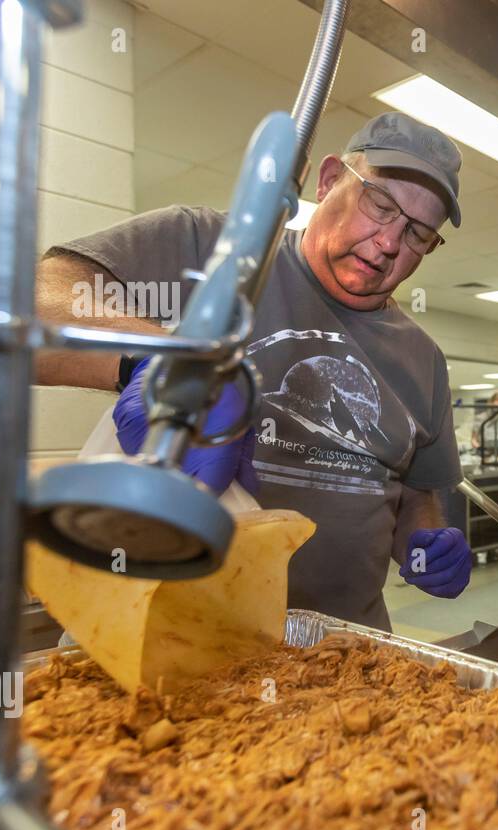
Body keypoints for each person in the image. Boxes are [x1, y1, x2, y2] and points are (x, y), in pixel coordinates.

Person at [34, 112, 472, 630]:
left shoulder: (423, 359)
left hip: (344, 660)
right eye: (381, 205)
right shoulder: (207, 249)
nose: (390, 243)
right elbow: (25, 310)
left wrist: (425, 542)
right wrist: (157, 362)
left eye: (419, 234)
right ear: (330, 179)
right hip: (170, 647)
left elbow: (418, 493)